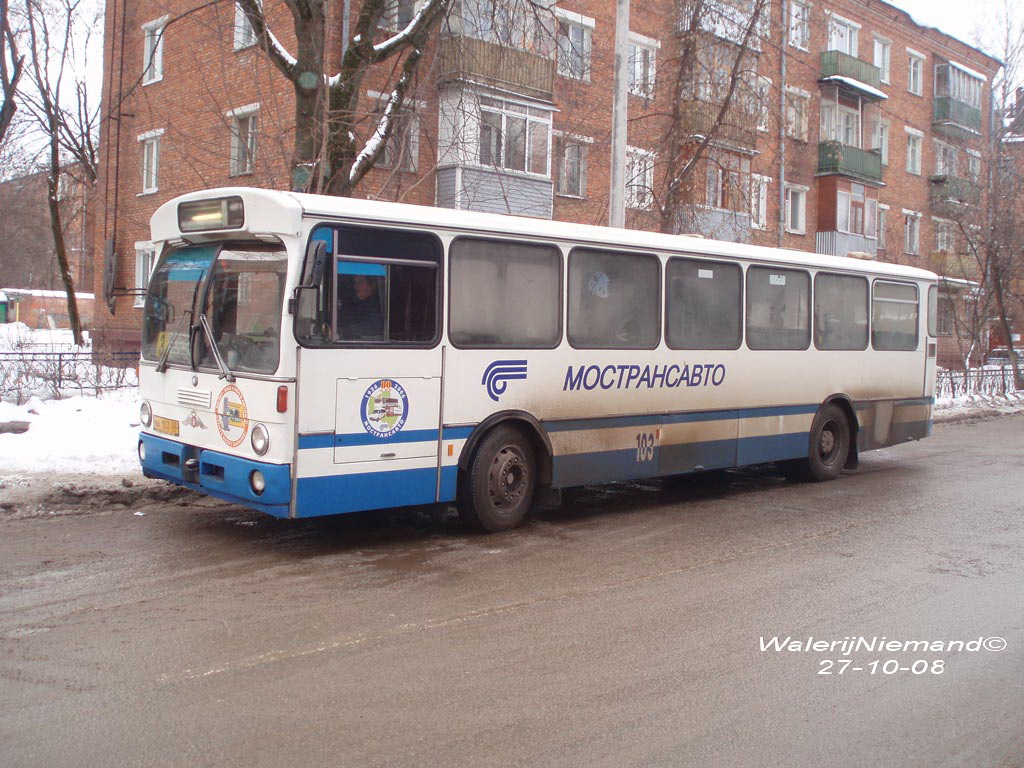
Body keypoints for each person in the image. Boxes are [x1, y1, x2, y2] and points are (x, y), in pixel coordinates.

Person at [340, 274, 385, 340]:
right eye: (355, 283)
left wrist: (344, 332)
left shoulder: (376, 305)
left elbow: (374, 326)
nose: (355, 286)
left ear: (373, 285)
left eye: (360, 282)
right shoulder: (356, 303)